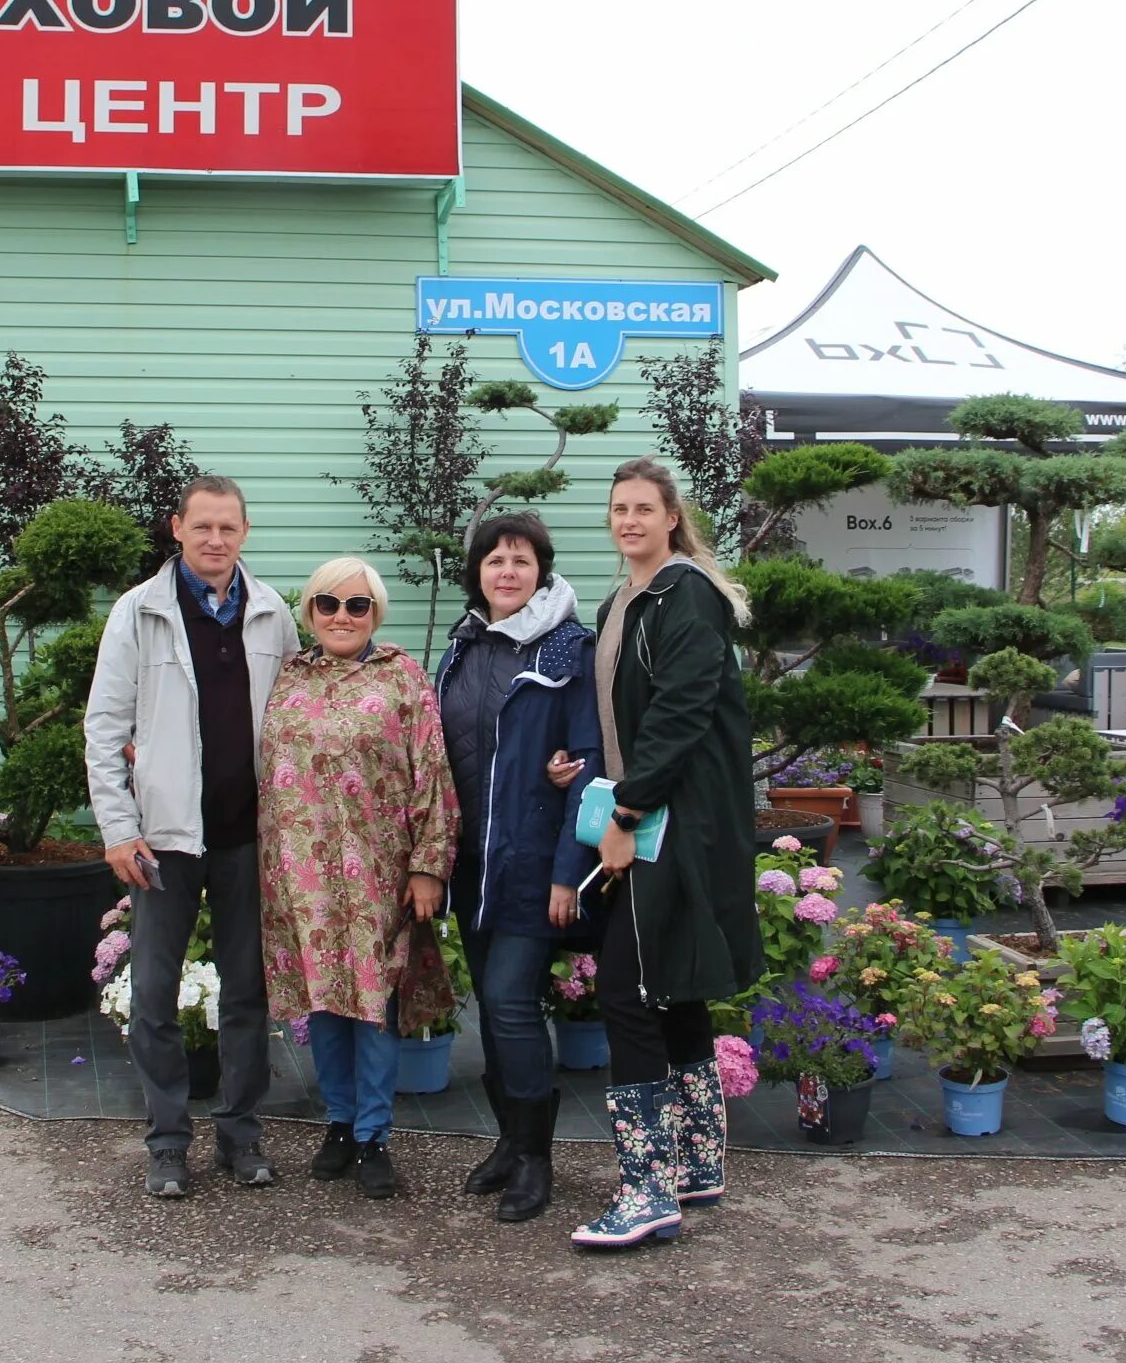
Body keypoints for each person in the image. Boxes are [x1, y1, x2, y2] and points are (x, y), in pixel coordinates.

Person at [85, 475, 299, 1199]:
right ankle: (169, 1141)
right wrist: (119, 828)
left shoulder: (272, 614)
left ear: (245, 532)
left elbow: (297, 722)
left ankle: (241, 1136)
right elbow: (105, 728)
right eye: (201, 526)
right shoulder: (137, 612)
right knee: (152, 995)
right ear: (176, 528)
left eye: (227, 528)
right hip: (163, 840)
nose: (214, 540)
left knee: (248, 994)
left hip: (248, 838)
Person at [568, 457, 760, 1251]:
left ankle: (647, 1190)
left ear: (671, 517)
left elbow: (679, 715)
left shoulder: (684, 596)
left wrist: (627, 809)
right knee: (671, 987)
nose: (629, 521)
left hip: (671, 825)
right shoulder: (626, 600)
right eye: (619, 509)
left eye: (643, 508)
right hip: (657, 818)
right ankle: (698, 1162)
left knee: (626, 991)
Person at [259, 556, 459, 1200]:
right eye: (328, 603)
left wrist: (429, 867)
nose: (341, 616)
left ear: (375, 612)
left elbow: (433, 774)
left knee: (374, 1006)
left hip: (379, 869)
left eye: (357, 605)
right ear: (309, 611)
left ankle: (374, 1134)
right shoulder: (287, 677)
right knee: (324, 1004)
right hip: (302, 873)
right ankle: (339, 1124)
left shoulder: (401, 677)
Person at [432, 512, 600, 1224]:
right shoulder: (463, 648)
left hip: (534, 863)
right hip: (472, 864)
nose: (507, 571)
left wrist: (569, 870)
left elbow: (589, 765)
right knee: (494, 1014)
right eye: (495, 560)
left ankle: (537, 1159)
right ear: (478, 572)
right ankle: (508, 1142)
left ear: (542, 570)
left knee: (509, 1000)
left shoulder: (569, 652)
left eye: (521, 560)